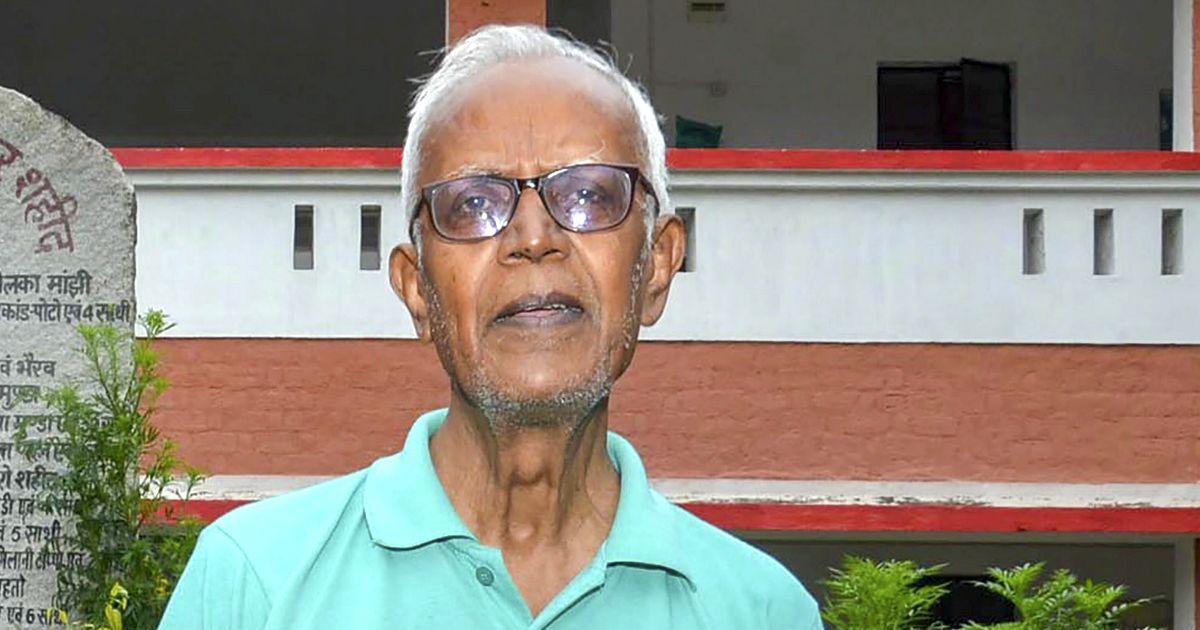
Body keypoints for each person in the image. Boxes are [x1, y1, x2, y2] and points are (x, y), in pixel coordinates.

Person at [159, 24, 822, 630]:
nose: (533, 238)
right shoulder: (255, 585)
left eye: (589, 195)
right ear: (418, 290)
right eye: (474, 203)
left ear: (656, 267)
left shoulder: (761, 611)